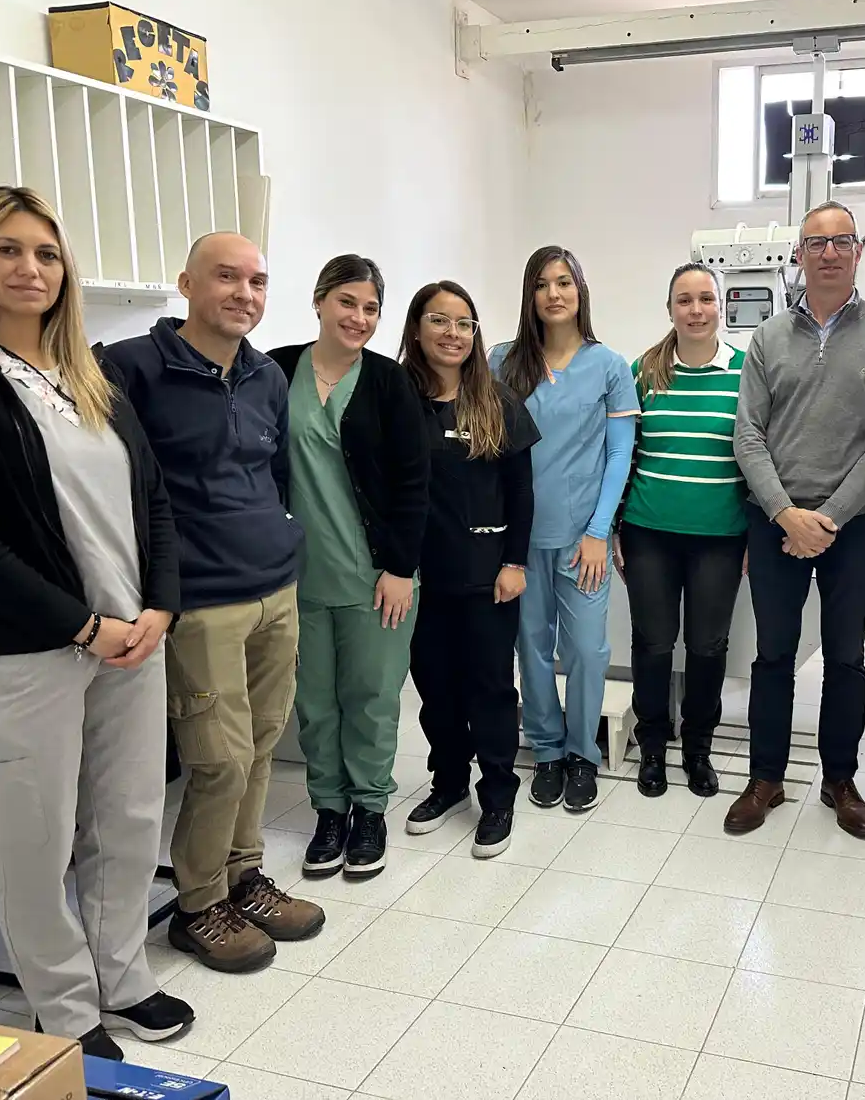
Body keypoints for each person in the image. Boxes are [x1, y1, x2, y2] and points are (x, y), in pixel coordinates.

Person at [0, 186, 191, 1059]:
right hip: (30, 653)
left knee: (127, 818)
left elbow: (153, 502)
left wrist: (159, 604)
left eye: (45, 251)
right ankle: (65, 1010)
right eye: (7, 250)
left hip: (132, 642)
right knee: (35, 844)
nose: (30, 268)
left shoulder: (94, 374)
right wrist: (83, 627)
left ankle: (125, 976)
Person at [105, 233, 324, 974]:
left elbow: (275, 475)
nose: (244, 292)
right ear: (187, 283)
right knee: (218, 758)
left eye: (257, 280)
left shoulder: (266, 375)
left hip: (273, 588)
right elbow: (119, 489)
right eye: (226, 277)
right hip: (199, 602)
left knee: (261, 746)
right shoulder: (132, 367)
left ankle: (243, 875)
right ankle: (198, 904)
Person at [727, 200, 865, 839]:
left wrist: (827, 519)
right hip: (773, 521)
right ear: (799, 255)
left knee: (845, 658)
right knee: (773, 655)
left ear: (858, 252)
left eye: (841, 241)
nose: (829, 252)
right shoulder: (768, 337)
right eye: (816, 242)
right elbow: (747, 434)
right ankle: (766, 778)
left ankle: (839, 780)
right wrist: (785, 512)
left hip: (854, 526)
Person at [268, 256, 429, 880]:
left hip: (375, 575)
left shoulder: (390, 383)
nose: (358, 317)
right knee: (314, 701)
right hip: (299, 575)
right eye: (347, 302)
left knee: (371, 697)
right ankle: (328, 810)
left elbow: (415, 484)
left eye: (370, 308)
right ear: (318, 301)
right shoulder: (276, 370)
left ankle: (369, 810)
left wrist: (398, 567)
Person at [491, 247, 638, 813]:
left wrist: (600, 530)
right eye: (542, 284)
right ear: (530, 296)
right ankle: (547, 752)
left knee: (585, 649)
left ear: (580, 292)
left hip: (583, 541)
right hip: (520, 540)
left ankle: (581, 753)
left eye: (564, 283)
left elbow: (619, 454)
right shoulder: (504, 361)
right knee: (530, 646)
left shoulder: (609, 366)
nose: (554, 294)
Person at [400, 281, 539, 858]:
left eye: (464, 323)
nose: (453, 333)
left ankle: (499, 793)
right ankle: (450, 782)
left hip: (488, 573)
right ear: (416, 328)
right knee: (434, 688)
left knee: (488, 688)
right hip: (417, 579)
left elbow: (522, 493)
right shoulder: (396, 399)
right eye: (440, 320)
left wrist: (514, 562)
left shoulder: (498, 402)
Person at [615, 262, 746, 799]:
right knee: (652, 643)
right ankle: (652, 748)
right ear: (669, 309)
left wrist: (753, 537)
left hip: (720, 534)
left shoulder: (745, 370)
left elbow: (758, 453)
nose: (696, 310)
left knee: (708, 646)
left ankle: (698, 749)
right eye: (684, 300)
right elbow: (622, 453)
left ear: (721, 306)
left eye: (706, 300)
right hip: (649, 531)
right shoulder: (642, 372)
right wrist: (617, 526)